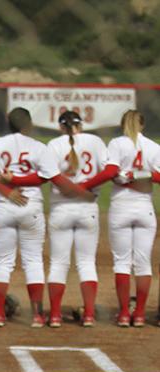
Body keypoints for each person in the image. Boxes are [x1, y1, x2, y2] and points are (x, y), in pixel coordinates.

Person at [0, 107, 93, 327]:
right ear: (28, 124)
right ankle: (38, 316)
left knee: (3, 262)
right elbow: (53, 178)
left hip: (3, 207)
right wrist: (81, 193)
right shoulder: (39, 147)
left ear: (7, 122)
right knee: (33, 261)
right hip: (31, 207)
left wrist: (7, 190)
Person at [79, 110, 160, 326]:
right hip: (145, 208)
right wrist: (142, 175)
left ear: (123, 124)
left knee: (122, 263)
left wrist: (85, 185)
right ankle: (140, 314)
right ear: (142, 125)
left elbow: (110, 172)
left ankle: (125, 313)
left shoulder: (117, 143)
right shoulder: (154, 147)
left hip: (121, 207)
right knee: (143, 264)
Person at [44, 111, 108, 327]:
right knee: (87, 263)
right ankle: (89, 315)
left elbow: (48, 176)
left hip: (60, 208)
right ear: (81, 125)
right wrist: (84, 189)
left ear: (61, 127)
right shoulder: (95, 141)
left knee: (58, 263)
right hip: (87, 207)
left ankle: (54, 316)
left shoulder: (53, 144)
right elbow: (107, 171)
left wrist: (70, 190)